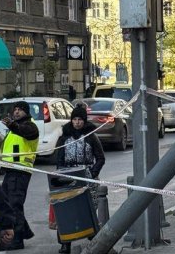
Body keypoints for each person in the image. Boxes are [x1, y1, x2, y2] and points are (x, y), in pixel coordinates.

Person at [54, 106, 105, 254]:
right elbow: (59, 159)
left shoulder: (91, 136)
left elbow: (101, 158)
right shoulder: (64, 137)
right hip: (68, 177)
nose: (77, 122)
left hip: (87, 178)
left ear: (84, 121)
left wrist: (92, 173)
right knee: (65, 211)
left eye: (80, 120)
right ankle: (65, 244)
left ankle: (94, 239)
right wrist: (62, 175)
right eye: (74, 119)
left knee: (89, 210)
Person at [0, 102, 40, 250]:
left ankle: (17, 239)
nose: (16, 112)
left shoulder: (29, 125)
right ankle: (23, 231)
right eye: (15, 110)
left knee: (14, 205)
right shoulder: (15, 127)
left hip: (20, 170)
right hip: (11, 170)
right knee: (6, 203)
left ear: (26, 112)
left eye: (20, 110)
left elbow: (25, 132)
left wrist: (12, 125)